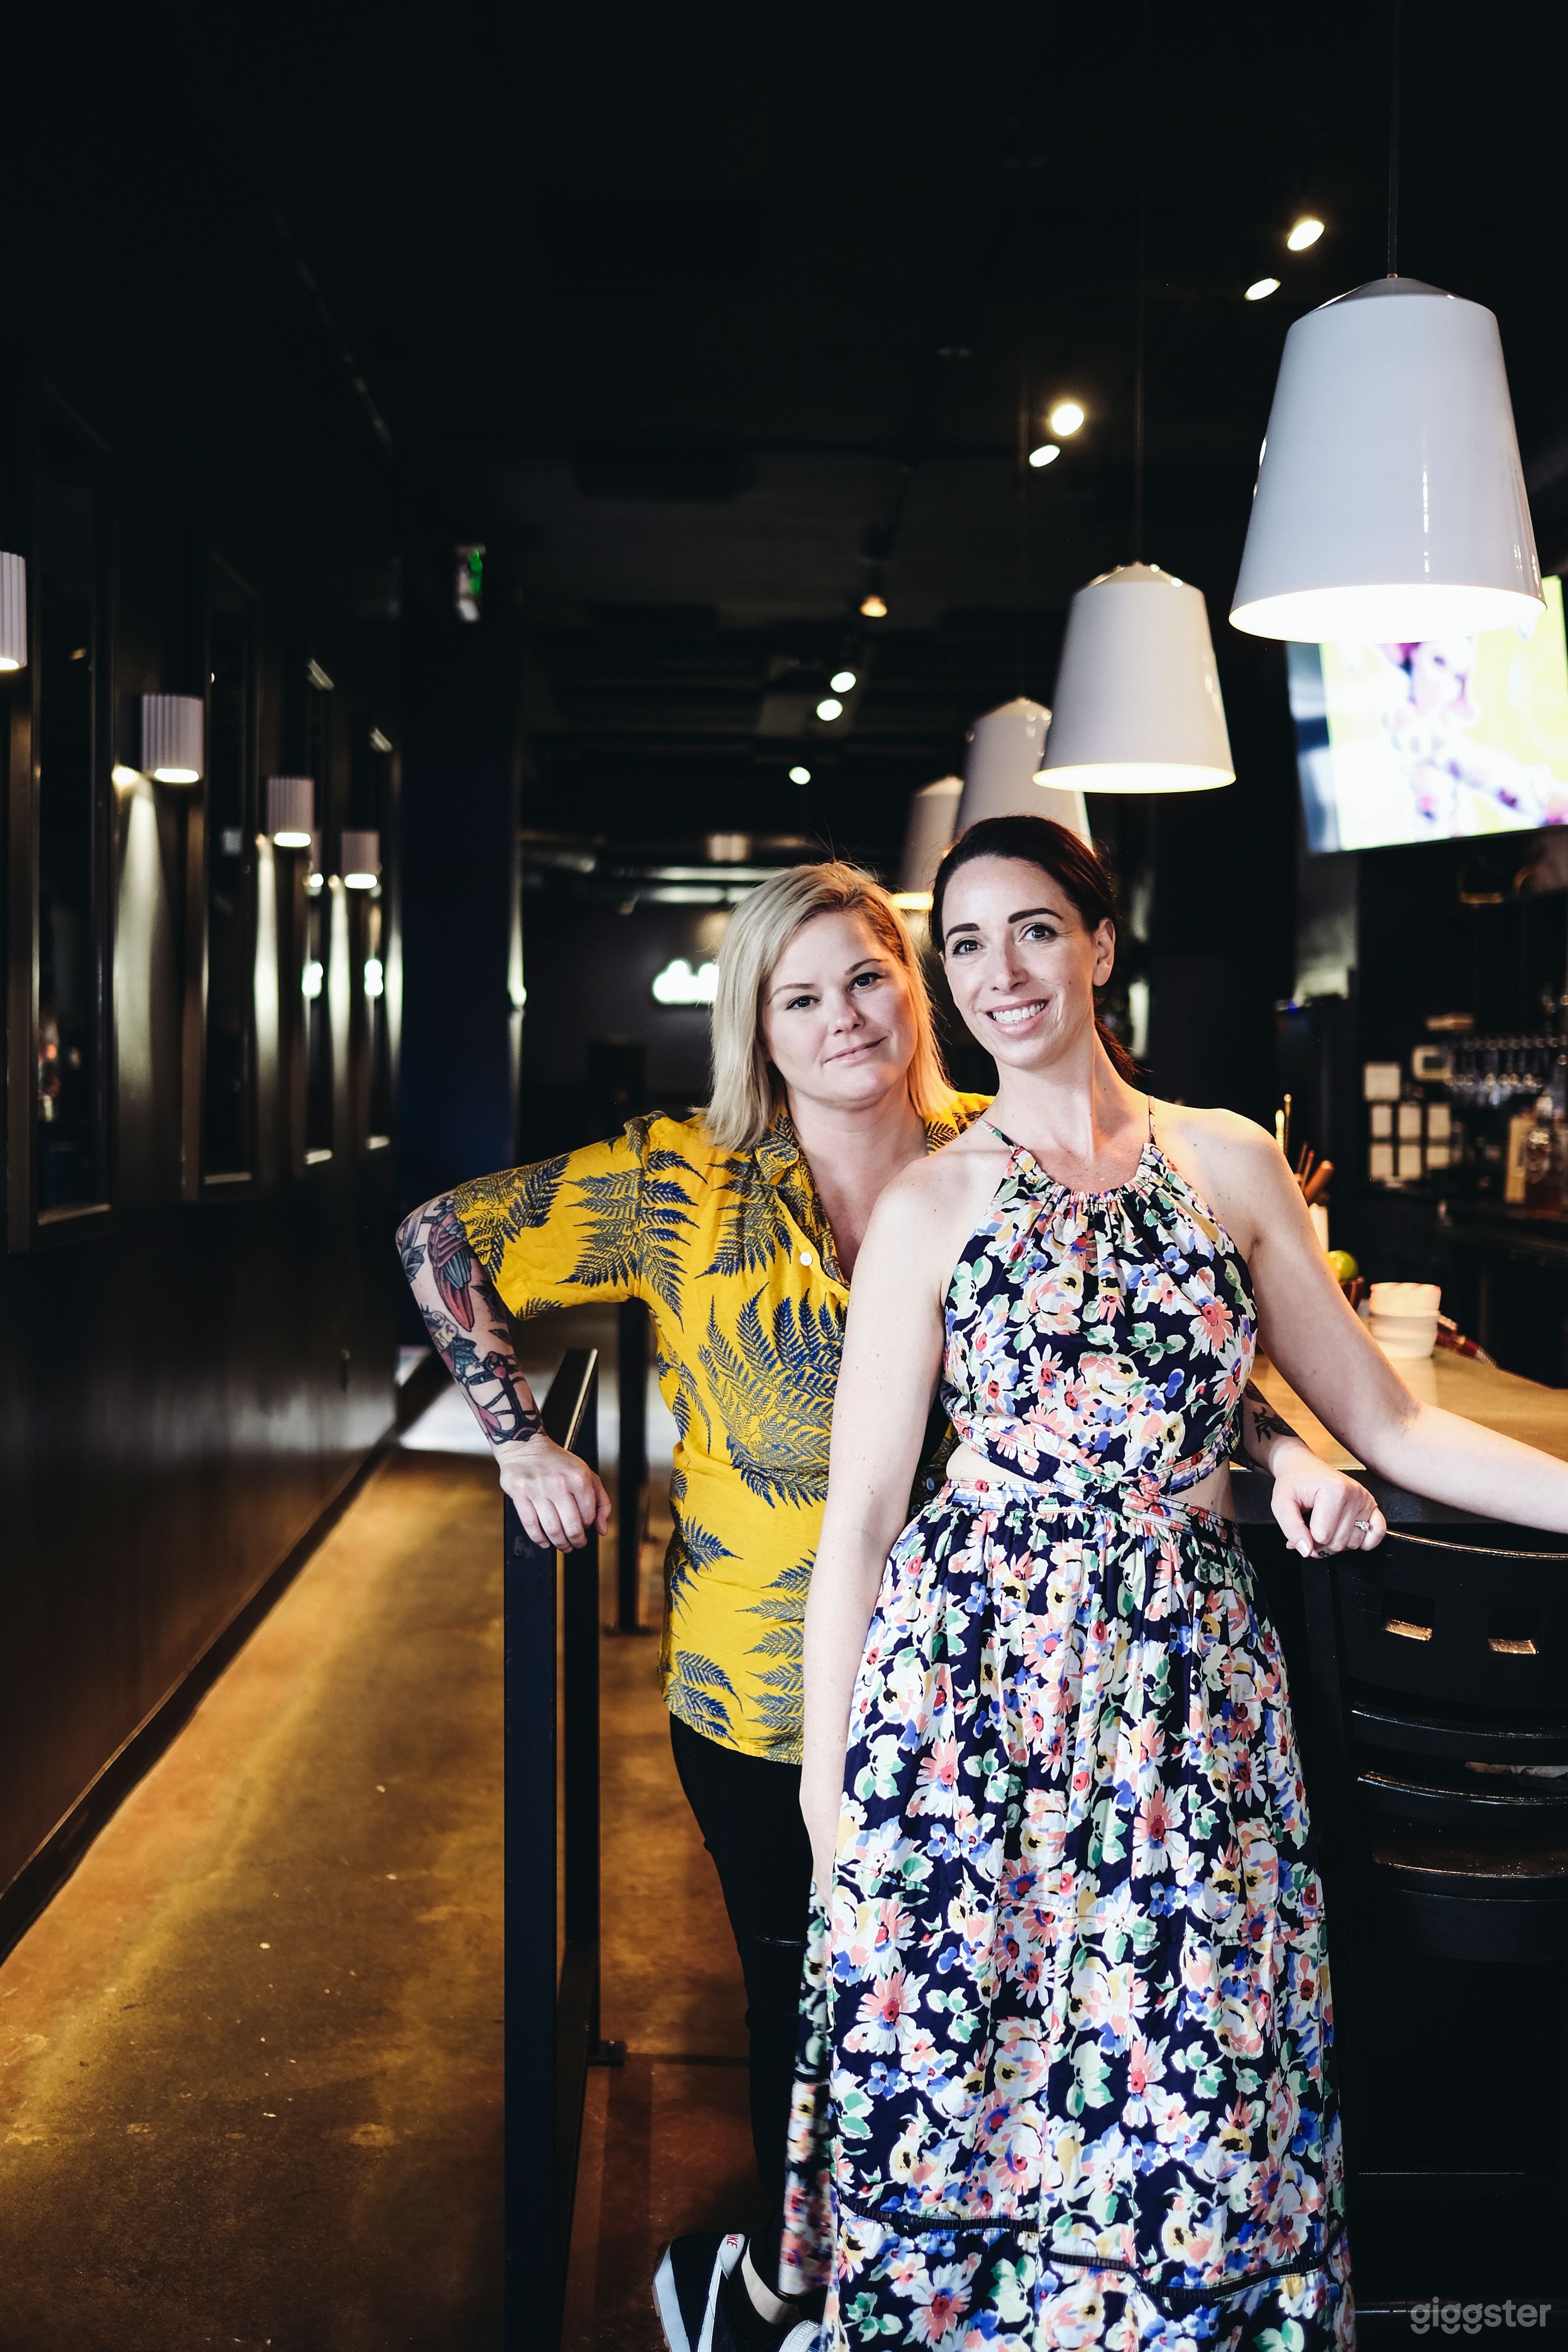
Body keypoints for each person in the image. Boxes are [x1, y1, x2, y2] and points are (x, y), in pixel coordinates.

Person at [397, 850, 1373, 2352]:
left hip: (1011, 1697)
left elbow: (1145, 1365)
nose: (845, 1016)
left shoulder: (1012, 1144)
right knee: (822, 2024)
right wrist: (520, 1438)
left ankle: (903, 2295)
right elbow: (441, 1236)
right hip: (770, 1687)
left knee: (999, 2049)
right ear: (757, 1028)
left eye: (869, 977)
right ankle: (778, 2291)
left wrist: (1284, 1442)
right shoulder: (677, 1182)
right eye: (801, 996)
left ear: (917, 991)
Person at [786, 811, 1568, 2349]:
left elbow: (1394, 1421)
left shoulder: (1230, 1160)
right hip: (970, 1688)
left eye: (1031, 930)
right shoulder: (933, 1206)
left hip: (1185, 1679)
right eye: (963, 943)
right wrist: (828, 1798)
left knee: (1194, 2063)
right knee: (968, 2081)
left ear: (1099, 942)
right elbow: (866, 1514)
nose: (1000, 972)